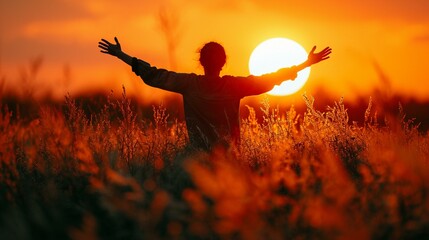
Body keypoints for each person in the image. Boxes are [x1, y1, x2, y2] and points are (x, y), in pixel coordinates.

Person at [98, 37, 331, 150]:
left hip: (198, 163)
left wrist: (121, 55)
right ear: (223, 63)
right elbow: (273, 78)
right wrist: (306, 64)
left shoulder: (188, 84)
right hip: (231, 163)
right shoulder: (235, 86)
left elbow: (152, 74)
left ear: (201, 62)